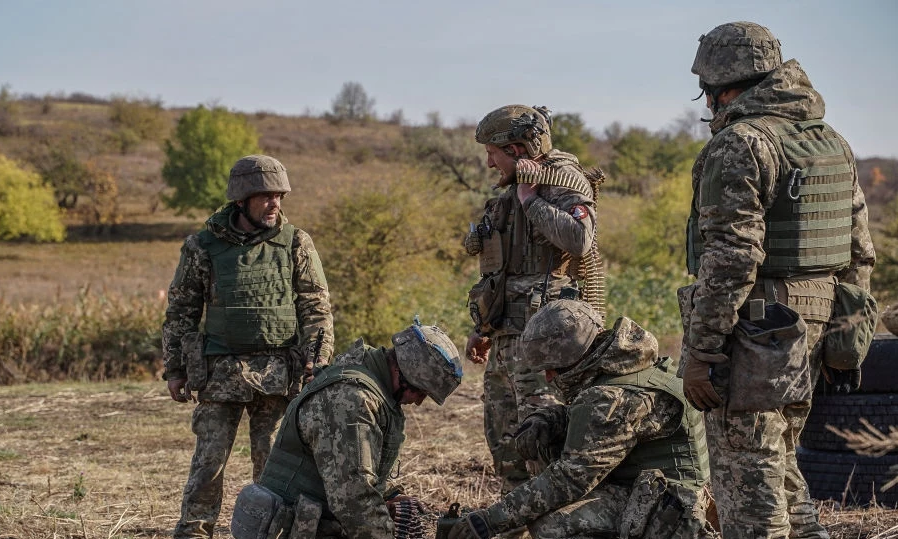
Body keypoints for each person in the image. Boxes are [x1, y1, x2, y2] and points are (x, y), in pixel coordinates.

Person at [680, 21, 875, 539]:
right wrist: (846, 337)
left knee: (747, 475)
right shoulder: (829, 140)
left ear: (718, 87)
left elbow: (731, 258)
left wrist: (701, 352)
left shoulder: (741, 143)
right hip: (817, 319)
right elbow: (859, 250)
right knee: (779, 457)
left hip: (756, 328)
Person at [162, 154, 334, 539]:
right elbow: (181, 311)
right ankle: (194, 532)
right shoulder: (202, 246)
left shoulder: (296, 243)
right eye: (266, 197)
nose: (275, 204)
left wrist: (317, 365)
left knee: (274, 471)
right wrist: (174, 370)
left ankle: (273, 534)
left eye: (279, 196)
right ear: (241, 200)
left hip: (278, 375)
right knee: (208, 466)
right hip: (219, 376)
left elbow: (316, 308)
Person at [449, 300, 714, 539]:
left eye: (552, 369)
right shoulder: (629, 361)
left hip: (670, 511)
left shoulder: (609, 398)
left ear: (573, 360)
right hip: (661, 490)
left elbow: (569, 480)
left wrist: (488, 521)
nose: (550, 378)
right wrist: (552, 418)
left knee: (551, 525)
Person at [463, 104, 602, 495]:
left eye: (494, 152)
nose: (490, 163)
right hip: (508, 336)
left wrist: (532, 200)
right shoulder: (511, 189)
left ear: (520, 149)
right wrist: (484, 328)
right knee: (506, 448)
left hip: (546, 342)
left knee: (542, 445)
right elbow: (501, 269)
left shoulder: (560, 180)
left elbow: (580, 239)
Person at [230, 321, 464, 538]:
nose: (419, 402)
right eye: (420, 391)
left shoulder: (369, 378)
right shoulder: (351, 399)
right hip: (292, 529)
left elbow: (358, 470)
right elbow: (354, 499)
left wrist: (392, 496)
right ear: (405, 374)